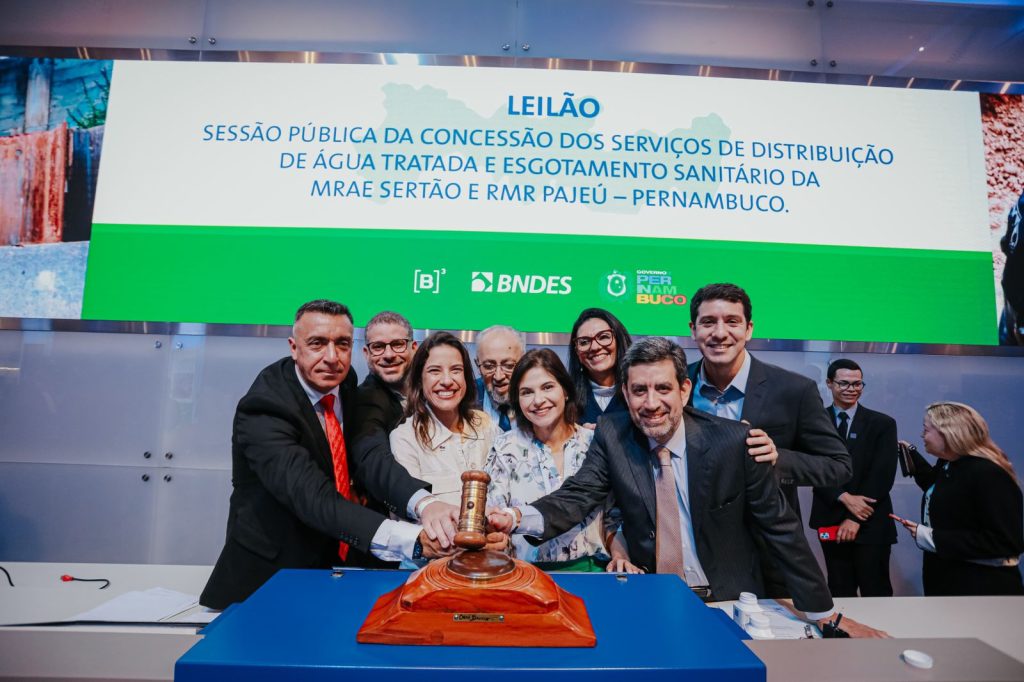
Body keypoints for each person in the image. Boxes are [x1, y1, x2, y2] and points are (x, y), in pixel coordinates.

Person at [489, 338, 884, 637]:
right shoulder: (613, 434)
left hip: (729, 602)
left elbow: (780, 530)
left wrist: (825, 614)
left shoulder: (734, 442)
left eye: (663, 388)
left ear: (684, 389)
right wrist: (515, 516)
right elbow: (579, 493)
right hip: (652, 598)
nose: (651, 403)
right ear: (625, 393)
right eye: (639, 390)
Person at [200, 300, 460, 609]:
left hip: (336, 569)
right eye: (317, 344)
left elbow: (369, 456)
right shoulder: (265, 409)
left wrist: (425, 504)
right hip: (269, 579)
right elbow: (313, 497)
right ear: (294, 347)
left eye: (342, 344)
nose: (332, 357)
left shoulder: (344, 381)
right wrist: (414, 541)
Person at [686, 283, 851, 597]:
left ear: (749, 329)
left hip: (765, 554)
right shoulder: (675, 384)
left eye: (732, 321)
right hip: (692, 548)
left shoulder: (793, 389)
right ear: (693, 329)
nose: (720, 333)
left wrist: (778, 459)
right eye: (708, 322)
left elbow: (838, 466)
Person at [486, 348, 610, 571]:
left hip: (593, 571)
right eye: (526, 392)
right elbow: (493, 517)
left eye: (547, 387)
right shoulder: (505, 448)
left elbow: (615, 514)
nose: (538, 400)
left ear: (566, 390)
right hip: (525, 574)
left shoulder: (594, 442)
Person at [895, 402, 1023, 596]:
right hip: (949, 584)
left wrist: (929, 537)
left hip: (980, 590)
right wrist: (911, 453)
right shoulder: (950, 465)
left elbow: (1005, 542)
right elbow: (937, 487)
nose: (922, 435)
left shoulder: (989, 474)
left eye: (926, 430)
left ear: (948, 433)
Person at [809, 359, 898, 597]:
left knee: (876, 590)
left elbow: (882, 474)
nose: (852, 389)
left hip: (871, 520)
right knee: (839, 590)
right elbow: (811, 467)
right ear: (829, 383)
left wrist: (854, 517)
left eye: (857, 384)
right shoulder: (814, 422)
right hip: (830, 515)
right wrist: (843, 496)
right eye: (844, 383)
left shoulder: (882, 423)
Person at [391, 331, 499, 505]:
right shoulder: (405, 439)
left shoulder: (486, 425)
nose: (447, 381)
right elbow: (408, 510)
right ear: (419, 380)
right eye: (434, 371)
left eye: (456, 370)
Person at [349, 311, 418, 511]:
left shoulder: (433, 391)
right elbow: (375, 460)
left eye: (398, 344)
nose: (389, 355)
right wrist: (423, 502)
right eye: (378, 347)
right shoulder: (363, 401)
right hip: (392, 515)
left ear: (414, 348)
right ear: (366, 353)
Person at [567, 308, 632, 427]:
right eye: (584, 342)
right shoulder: (566, 398)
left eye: (603, 337)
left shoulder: (641, 391)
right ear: (576, 351)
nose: (595, 347)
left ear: (619, 340)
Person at [473, 325, 525, 431]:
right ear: (478, 365)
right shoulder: (464, 400)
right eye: (489, 366)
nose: (499, 376)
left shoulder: (538, 399)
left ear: (524, 362)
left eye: (509, 366)